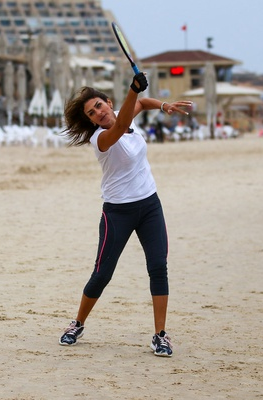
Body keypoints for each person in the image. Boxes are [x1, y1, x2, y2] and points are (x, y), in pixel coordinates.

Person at [58, 73, 192, 357]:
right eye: (92, 112)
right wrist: (132, 88)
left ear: (108, 102)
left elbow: (141, 103)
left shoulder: (120, 113)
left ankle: (161, 335)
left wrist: (163, 105)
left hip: (150, 206)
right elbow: (121, 125)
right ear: (91, 120)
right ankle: (77, 323)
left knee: (158, 267)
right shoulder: (101, 138)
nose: (98, 112)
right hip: (118, 212)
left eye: (99, 105)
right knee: (102, 273)